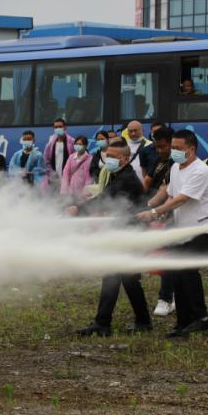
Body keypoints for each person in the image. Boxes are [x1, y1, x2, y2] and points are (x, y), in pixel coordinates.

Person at [138, 129, 208, 337]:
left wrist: (156, 211)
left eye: (178, 148)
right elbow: (171, 196)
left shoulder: (200, 171)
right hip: (184, 230)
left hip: (205, 230)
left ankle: (201, 318)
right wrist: (161, 214)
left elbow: (182, 199)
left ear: (191, 149)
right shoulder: (175, 167)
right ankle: (183, 322)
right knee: (176, 271)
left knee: (186, 269)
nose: (173, 151)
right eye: (172, 147)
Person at [72, 139, 153, 336]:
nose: (109, 160)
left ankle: (103, 324)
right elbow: (105, 196)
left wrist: (79, 209)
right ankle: (142, 321)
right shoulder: (118, 174)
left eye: (114, 157)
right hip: (126, 231)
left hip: (130, 233)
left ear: (125, 159)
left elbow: (105, 201)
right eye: (107, 156)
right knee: (129, 279)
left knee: (112, 276)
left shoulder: (126, 179)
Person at [144, 127, 177, 317]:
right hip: (167, 216)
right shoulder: (161, 162)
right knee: (170, 257)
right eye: (157, 148)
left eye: (163, 147)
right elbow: (163, 188)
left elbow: (175, 195)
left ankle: (165, 299)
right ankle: (170, 298)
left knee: (172, 259)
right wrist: (149, 205)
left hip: (179, 217)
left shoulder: (181, 164)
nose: (160, 151)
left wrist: (158, 209)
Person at [43, 118, 75, 194]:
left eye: (60, 126)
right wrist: (52, 174)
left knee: (67, 200)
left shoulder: (72, 142)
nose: (58, 129)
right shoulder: (50, 144)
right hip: (54, 179)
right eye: (56, 127)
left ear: (65, 127)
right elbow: (46, 161)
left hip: (68, 178)